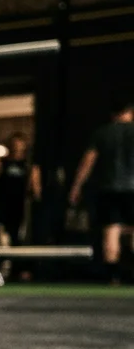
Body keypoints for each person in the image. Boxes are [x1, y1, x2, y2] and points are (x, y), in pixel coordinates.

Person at [69, 100, 134, 283]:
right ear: (130, 112)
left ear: (113, 114)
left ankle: (113, 276)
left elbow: (87, 162)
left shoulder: (102, 133)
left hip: (109, 187)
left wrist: (76, 186)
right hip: (132, 187)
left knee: (111, 229)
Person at [0, 133, 41, 278]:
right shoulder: (2, 163)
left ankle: (17, 269)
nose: (17, 147)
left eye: (19, 144)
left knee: (17, 238)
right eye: (14, 143)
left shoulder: (28, 165)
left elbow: (36, 189)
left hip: (18, 206)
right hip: (1, 204)